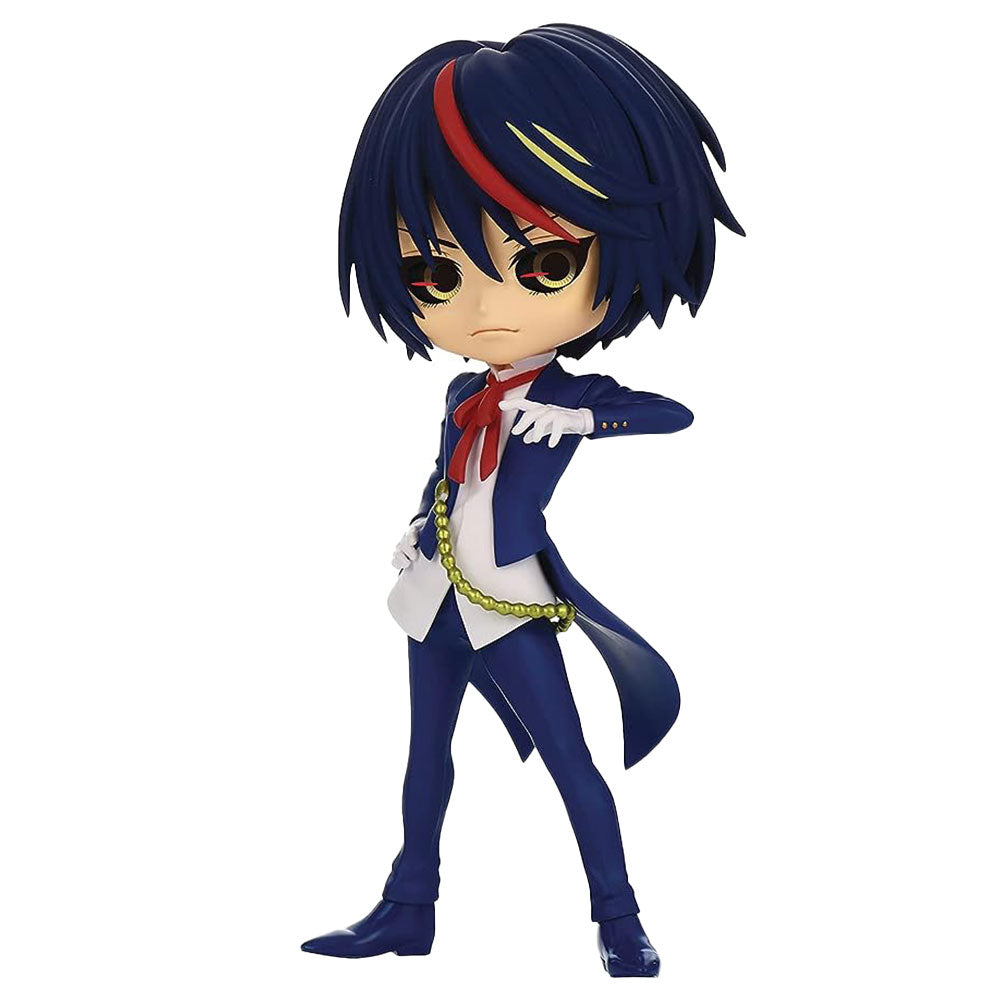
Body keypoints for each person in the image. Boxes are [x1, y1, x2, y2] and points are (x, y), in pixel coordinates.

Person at [301, 23, 742, 977]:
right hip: (438, 592)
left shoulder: (570, 394)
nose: (484, 309)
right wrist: (418, 526)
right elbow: (452, 474)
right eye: (433, 274)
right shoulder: (464, 393)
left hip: (508, 598)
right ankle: (406, 906)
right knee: (425, 756)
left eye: (544, 265)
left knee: (571, 761)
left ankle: (619, 918)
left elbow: (671, 413)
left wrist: (583, 420)